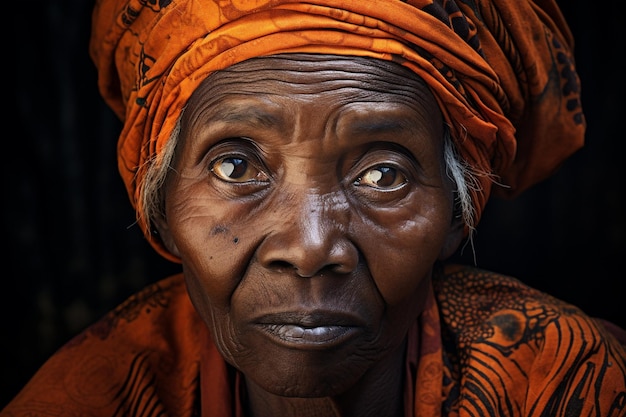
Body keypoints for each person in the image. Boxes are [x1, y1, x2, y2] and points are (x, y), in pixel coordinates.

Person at [3, 0, 626, 415]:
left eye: (384, 174)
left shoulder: (574, 382)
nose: (308, 247)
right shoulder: (86, 398)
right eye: (235, 167)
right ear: (158, 205)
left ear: (460, 212)